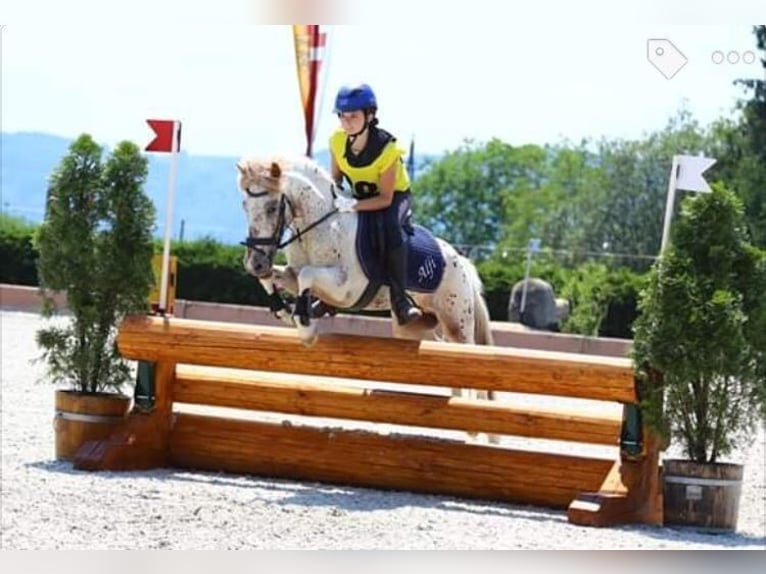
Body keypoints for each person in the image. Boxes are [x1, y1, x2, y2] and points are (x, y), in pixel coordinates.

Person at [329, 83, 423, 326]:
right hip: (356, 198)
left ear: (369, 116)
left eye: (353, 116)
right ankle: (329, 295)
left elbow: (384, 199)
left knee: (391, 227)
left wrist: (353, 206)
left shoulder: (388, 149)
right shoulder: (337, 141)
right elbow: (336, 178)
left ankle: (401, 301)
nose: (347, 122)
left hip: (395, 198)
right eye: (343, 116)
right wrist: (336, 199)